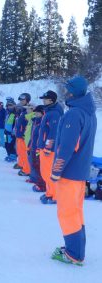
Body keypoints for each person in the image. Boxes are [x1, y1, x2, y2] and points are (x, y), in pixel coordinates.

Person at [50, 76, 97, 266]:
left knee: (67, 213)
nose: (65, 92)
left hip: (69, 174)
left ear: (72, 92)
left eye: (67, 89)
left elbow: (67, 147)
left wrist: (56, 171)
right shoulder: (89, 113)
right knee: (76, 212)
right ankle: (77, 250)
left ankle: (74, 254)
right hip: (80, 173)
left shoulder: (74, 114)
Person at [38, 90, 63, 205]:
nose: (43, 100)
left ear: (51, 100)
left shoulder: (55, 114)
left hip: (50, 150)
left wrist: (48, 147)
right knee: (45, 173)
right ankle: (50, 193)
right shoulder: (49, 111)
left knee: (49, 173)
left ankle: (55, 196)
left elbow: (54, 132)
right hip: (45, 148)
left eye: (45, 98)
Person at [30, 105, 46, 193]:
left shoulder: (42, 123)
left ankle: (42, 185)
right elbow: (33, 135)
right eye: (35, 112)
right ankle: (38, 182)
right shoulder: (36, 122)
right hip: (33, 146)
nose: (35, 114)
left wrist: (39, 148)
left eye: (38, 112)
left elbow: (42, 137)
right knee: (35, 165)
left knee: (40, 167)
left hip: (39, 149)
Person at [4, 98, 17, 162]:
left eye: (11, 105)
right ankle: (9, 155)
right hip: (6, 133)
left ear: (14, 105)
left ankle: (13, 157)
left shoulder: (15, 114)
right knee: (6, 145)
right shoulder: (8, 113)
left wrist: (13, 133)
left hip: (11, 134)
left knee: (11, 145)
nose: (9, 106)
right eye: (8, 105)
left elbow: (15, 125)